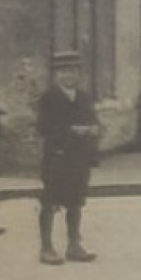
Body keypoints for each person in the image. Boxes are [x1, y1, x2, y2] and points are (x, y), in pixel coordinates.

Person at [37, 50, 102, 266]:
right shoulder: (49, 99)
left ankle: (74, 244)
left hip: (80, 159)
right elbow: (44, 128)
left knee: (76, 201)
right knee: (51, 202)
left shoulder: (84, 98)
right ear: (56, 75)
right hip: (57, 158)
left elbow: (94, 121)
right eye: (64, 72)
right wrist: (74, 131)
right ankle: (46, 246)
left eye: (73, 71)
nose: (69, 76)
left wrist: (95, 131)